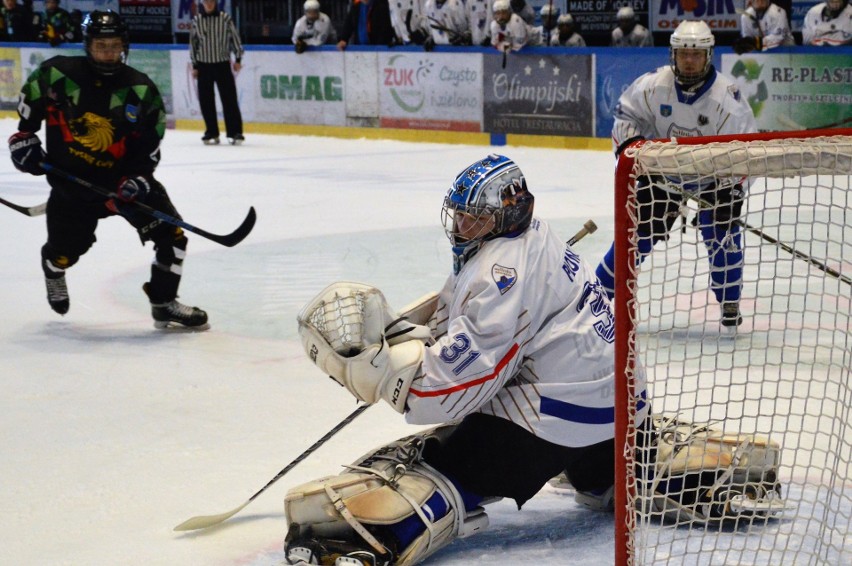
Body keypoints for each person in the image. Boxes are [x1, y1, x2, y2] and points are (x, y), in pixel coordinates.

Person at [286, 155, 784, 565]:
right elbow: (466, 320)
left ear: (504, 216)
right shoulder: (530, 236)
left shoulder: (500, 273)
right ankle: (635, 471)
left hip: (557, 421)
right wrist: (411, 334)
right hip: (621, 410)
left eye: (474, 217)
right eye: (459, 214)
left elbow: (443, 393)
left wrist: (377, 376)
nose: (461, 226)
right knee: (594, 480)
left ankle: (390, 529)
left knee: (448, 458)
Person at [7, 10, 209, 329]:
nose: (108, 53)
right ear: (88, 45)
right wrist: (23, 142)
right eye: (101, 46)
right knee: (67, 253)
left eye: (114, 46)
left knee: (173, 237)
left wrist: (139, 180)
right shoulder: (56, 74)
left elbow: (149, 149)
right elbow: (26, 125)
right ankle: (53, 266)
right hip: (72, 188)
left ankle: (163, 301)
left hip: (122, 185)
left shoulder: (140, 91)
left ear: (124, 46)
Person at [596, 20, 757, 331]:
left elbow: (742, 152)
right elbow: (626, 116)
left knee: (720, 233)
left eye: (696, 55)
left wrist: (731, 192)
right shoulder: (654, 84)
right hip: (664, 175)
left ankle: (729, 301)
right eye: (683, 54)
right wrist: (635, 153)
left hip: (713, 178)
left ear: (708, 55)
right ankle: (598, 294)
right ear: (674, 54)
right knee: (636, 233)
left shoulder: (728, 98)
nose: (689, 60)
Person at [190, 0, 245, 146]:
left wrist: (238, 58)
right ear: (202, 4)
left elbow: (235, 39)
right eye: (206, 2)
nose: (208, 4)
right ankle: (211, 131)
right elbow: (193, 44)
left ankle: (234, 131)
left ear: (215, 3)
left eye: (211, 2)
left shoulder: (225, 18)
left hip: (222, 64)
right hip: (203, 65)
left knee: (229, 99)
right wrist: (195, 65)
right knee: (206, 101)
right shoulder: (197, 20)